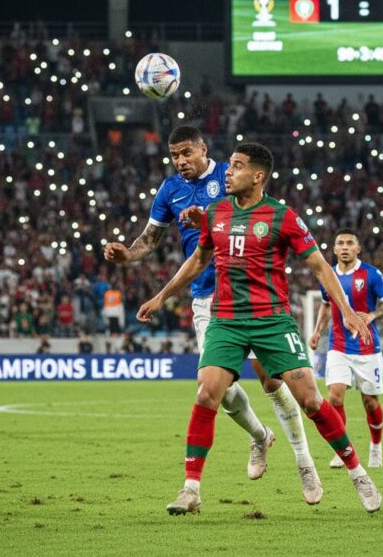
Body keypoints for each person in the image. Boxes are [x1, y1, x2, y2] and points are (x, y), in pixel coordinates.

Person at [137, 142, 381, 514]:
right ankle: (190, 490)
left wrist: (346, 310)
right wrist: (162, 296)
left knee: (313, 401)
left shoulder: (282, 216)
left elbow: (319, 266)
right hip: (227, 321)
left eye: (236, 167)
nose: (228, 173)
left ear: (258, 175)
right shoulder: (216, 213)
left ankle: (358, 473)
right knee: (206, 393)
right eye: (230, 165)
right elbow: (198, 260)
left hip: (272, 321)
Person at [105, 126, 322, 503]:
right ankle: (260, 436)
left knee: (271, 382)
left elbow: (258, 214)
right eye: (175, 156)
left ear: (203, 149)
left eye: (187, 153)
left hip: (250, 295)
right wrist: (128, 255)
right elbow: (150, 240)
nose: (181, 161)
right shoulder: (170, 190)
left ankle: (305, 462)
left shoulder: (230, 175)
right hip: (207, 298)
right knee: (214, 390)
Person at [309, 228, 383, 468]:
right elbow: (326, 305)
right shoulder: (327, 275)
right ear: (335, 249)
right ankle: (342, 450)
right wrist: (317, 331)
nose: (345, 247)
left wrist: (372, 315)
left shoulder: (371, 274)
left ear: (358, 248)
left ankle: (376, 446)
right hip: (338, 346)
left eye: (350, 243)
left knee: (370, 401)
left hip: (367, 348)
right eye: (340, 243)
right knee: (335, 396)